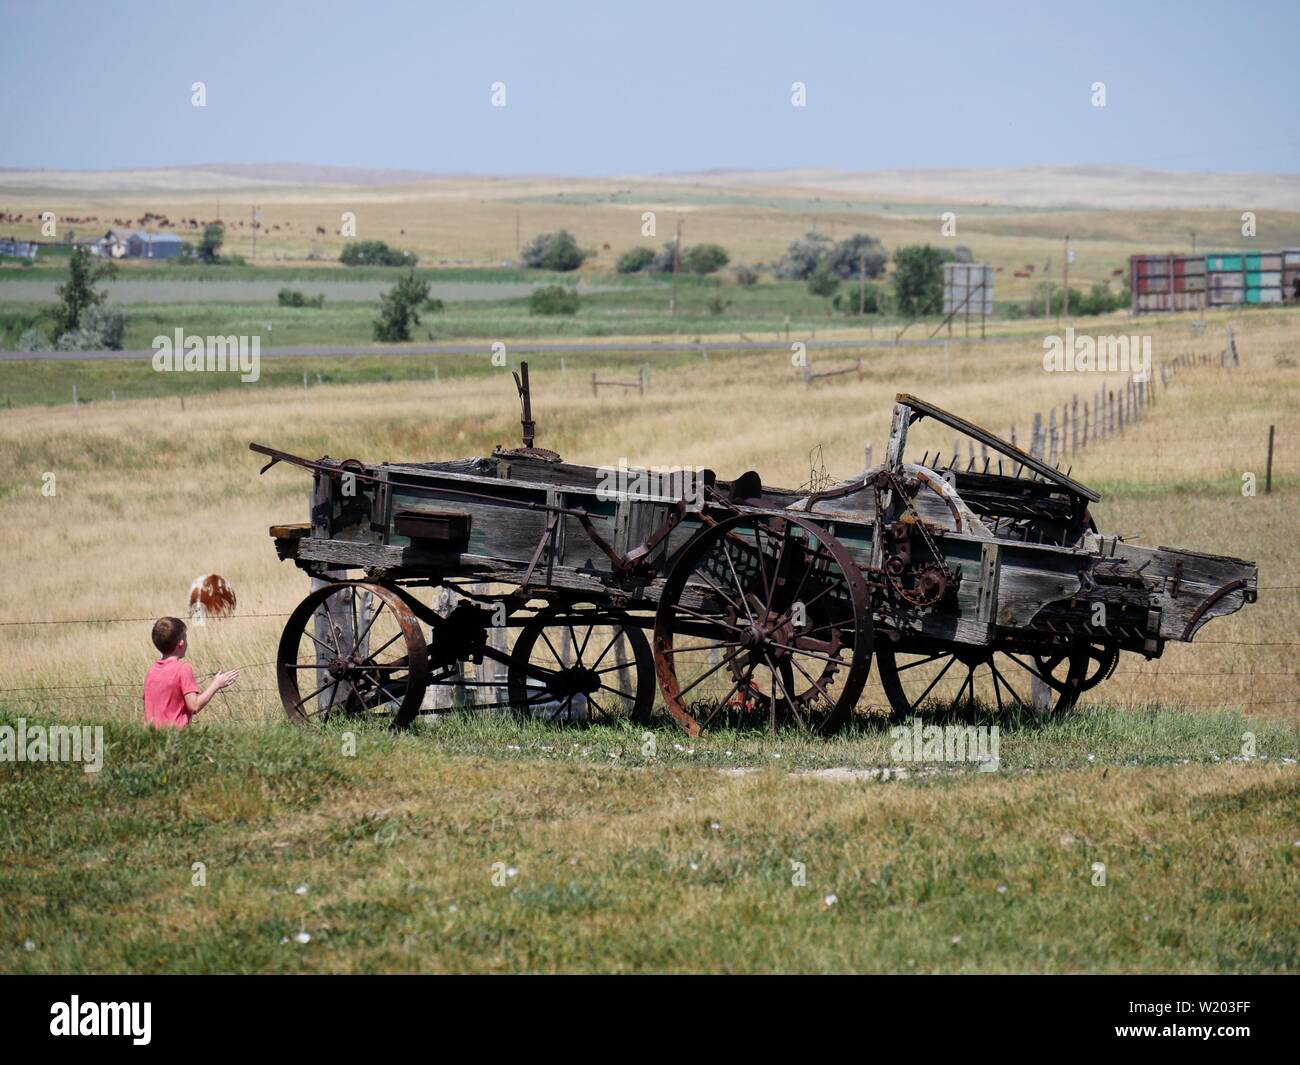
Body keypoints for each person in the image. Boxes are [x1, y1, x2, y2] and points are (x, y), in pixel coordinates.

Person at [143, 616, 239, 729]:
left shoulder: (152, 670)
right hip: (175, 737)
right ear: (181, 643)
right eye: (185, 637)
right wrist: (216, 684)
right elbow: (194, 705)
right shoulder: (183, 669)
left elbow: (146, 703)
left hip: (152, 737)